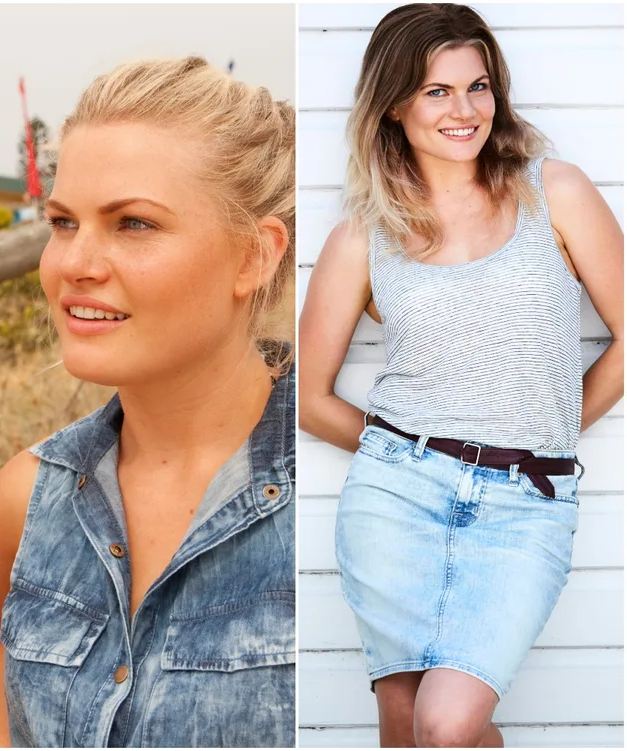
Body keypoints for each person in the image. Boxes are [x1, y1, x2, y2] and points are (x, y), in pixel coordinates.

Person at [0, 56, 296, 748]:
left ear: (255, 255)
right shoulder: (29, 496)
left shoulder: (332, 502)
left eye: (133, 223)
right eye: (64, 221)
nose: (75, 263)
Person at [299, 3, 623, 748]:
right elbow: (312, 400)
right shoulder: (362, 236)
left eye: (478, 86)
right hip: (395, 502)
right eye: (437, 91)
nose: (465, 110)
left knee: (446, 725)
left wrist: (547, 429)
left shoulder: (555, 192)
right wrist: (404, 455)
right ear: (393, 105)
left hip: (526, 504)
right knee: (404, 729)